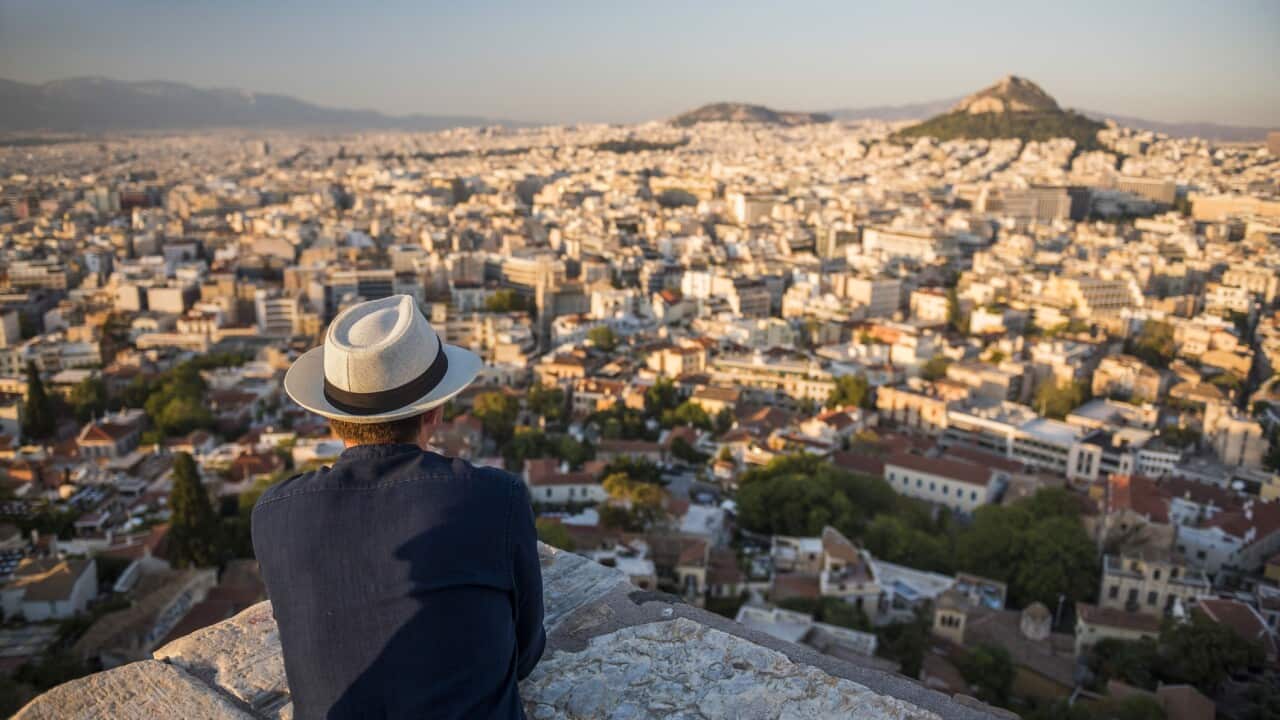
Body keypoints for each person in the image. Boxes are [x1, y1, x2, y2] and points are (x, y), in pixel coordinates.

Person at [253, 294, 545, 719]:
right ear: (435, 411)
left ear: (330, 417)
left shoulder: (275, 515)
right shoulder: (494, 501)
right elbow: (525, 653)